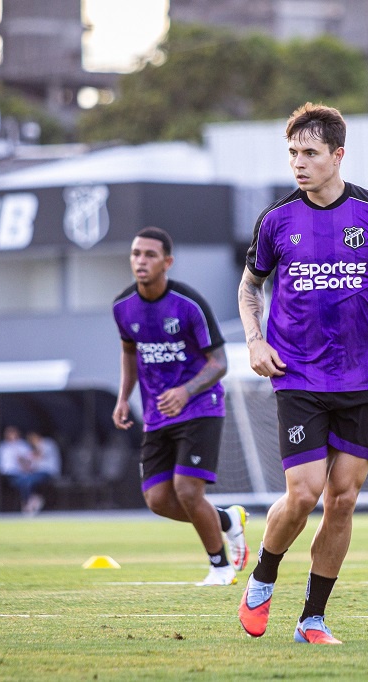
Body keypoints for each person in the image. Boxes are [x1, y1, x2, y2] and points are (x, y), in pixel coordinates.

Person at [236, 102, 368, 644]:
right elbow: (250, 286)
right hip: (297, 374)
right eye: (293, 153)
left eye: (310, 153)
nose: (298, 164)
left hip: (363, 377)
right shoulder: (277, 220)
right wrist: (254, 340)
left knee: (342, 498)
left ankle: (312, 620)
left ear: (337, 155)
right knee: (303, 494)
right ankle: (263, 577)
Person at [111, 226, 249, 587]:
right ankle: (228, 521)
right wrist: (124, 397)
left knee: (187, 491)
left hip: (200, 407)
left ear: (167, 262)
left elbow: (220, 363)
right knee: (158, 499)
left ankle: (220, 566)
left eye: (150, 255)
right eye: (136, 253)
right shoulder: (123, 307)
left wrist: (186, 391)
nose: (141, 261)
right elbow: (129, 354)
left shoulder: (188, 304)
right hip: (157, 414)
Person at [22, 431, 62, 514]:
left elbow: (41, 455)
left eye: (32, 439)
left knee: (29, 480)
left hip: (49, 471)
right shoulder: (34, 448)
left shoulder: (48, 443)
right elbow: (32, 464)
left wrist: (32, 454)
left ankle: (32, 501)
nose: (32, 441)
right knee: (24, 480)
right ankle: (32, 500)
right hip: (38, 473)